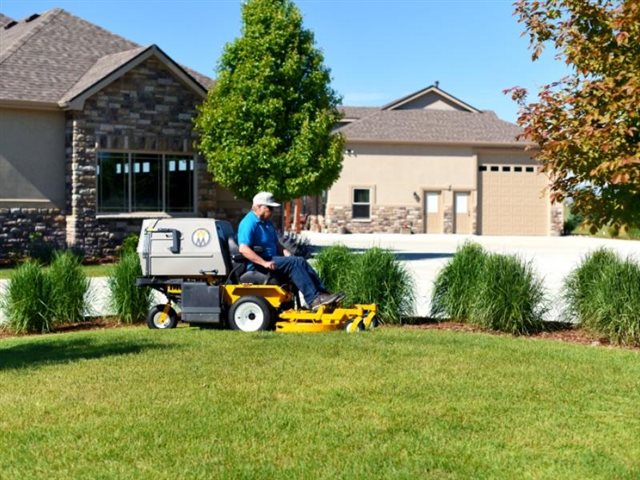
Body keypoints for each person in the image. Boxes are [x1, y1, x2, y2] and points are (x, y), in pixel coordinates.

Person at [237, 192, 343, 311]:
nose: (272, 211)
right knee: (295, 262)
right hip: (259, 265)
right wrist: (263, 263)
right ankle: (313, 299)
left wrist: (286, 253)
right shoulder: (248, 223)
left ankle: (322, 295)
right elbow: (243, 249)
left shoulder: (267, 224)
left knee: (300, 260)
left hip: (271, 260)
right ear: (258, 206)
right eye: (270, 208)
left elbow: (276, 244)